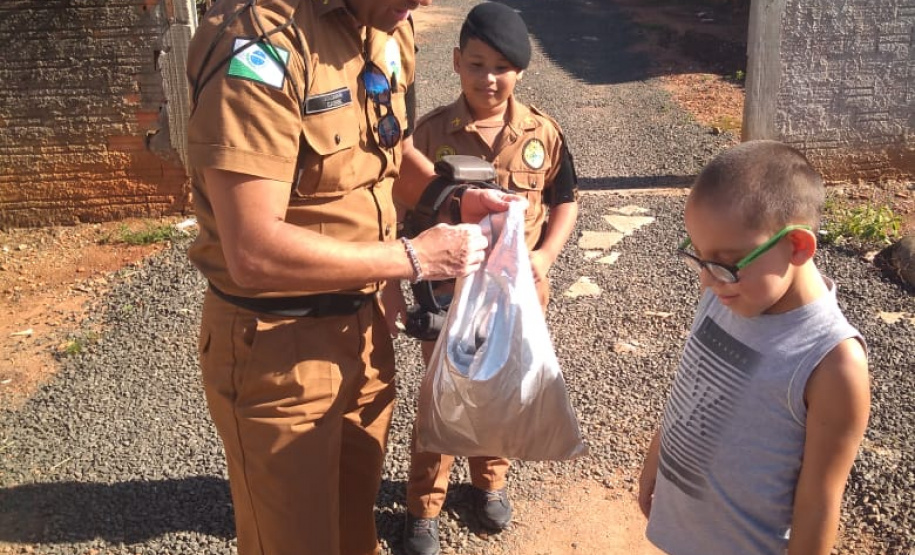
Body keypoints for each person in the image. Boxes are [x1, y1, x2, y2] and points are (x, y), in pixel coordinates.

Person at [184, 1, 519, 554]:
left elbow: (390, 151)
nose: (422, 3)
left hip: (363, 331)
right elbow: (252, 250)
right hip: (280, 349)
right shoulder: (260, 40)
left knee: (353, 533)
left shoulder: (389, 23)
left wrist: (450, 198)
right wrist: (413, 259)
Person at [400, 4, 579, 554]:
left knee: (504, 393)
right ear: (456, 62)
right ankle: (424, 506)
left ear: (520, 72)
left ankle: (489, 483)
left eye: (501, 67)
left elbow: (565, 200)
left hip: (520, 296)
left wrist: (546, 256)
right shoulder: (429, 135)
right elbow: (404, 213)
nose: (489, 79)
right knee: (446, 397)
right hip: (450, 296)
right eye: (476, 64)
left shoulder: (542, 132)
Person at [638, 140, 871, 555]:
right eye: (700, 259)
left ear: (797, 246)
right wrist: (658, 453)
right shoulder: (727, 292)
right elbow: (692, 387)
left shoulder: (834, 363)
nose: (707, 281)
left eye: (725, 263)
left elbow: (819, 500)